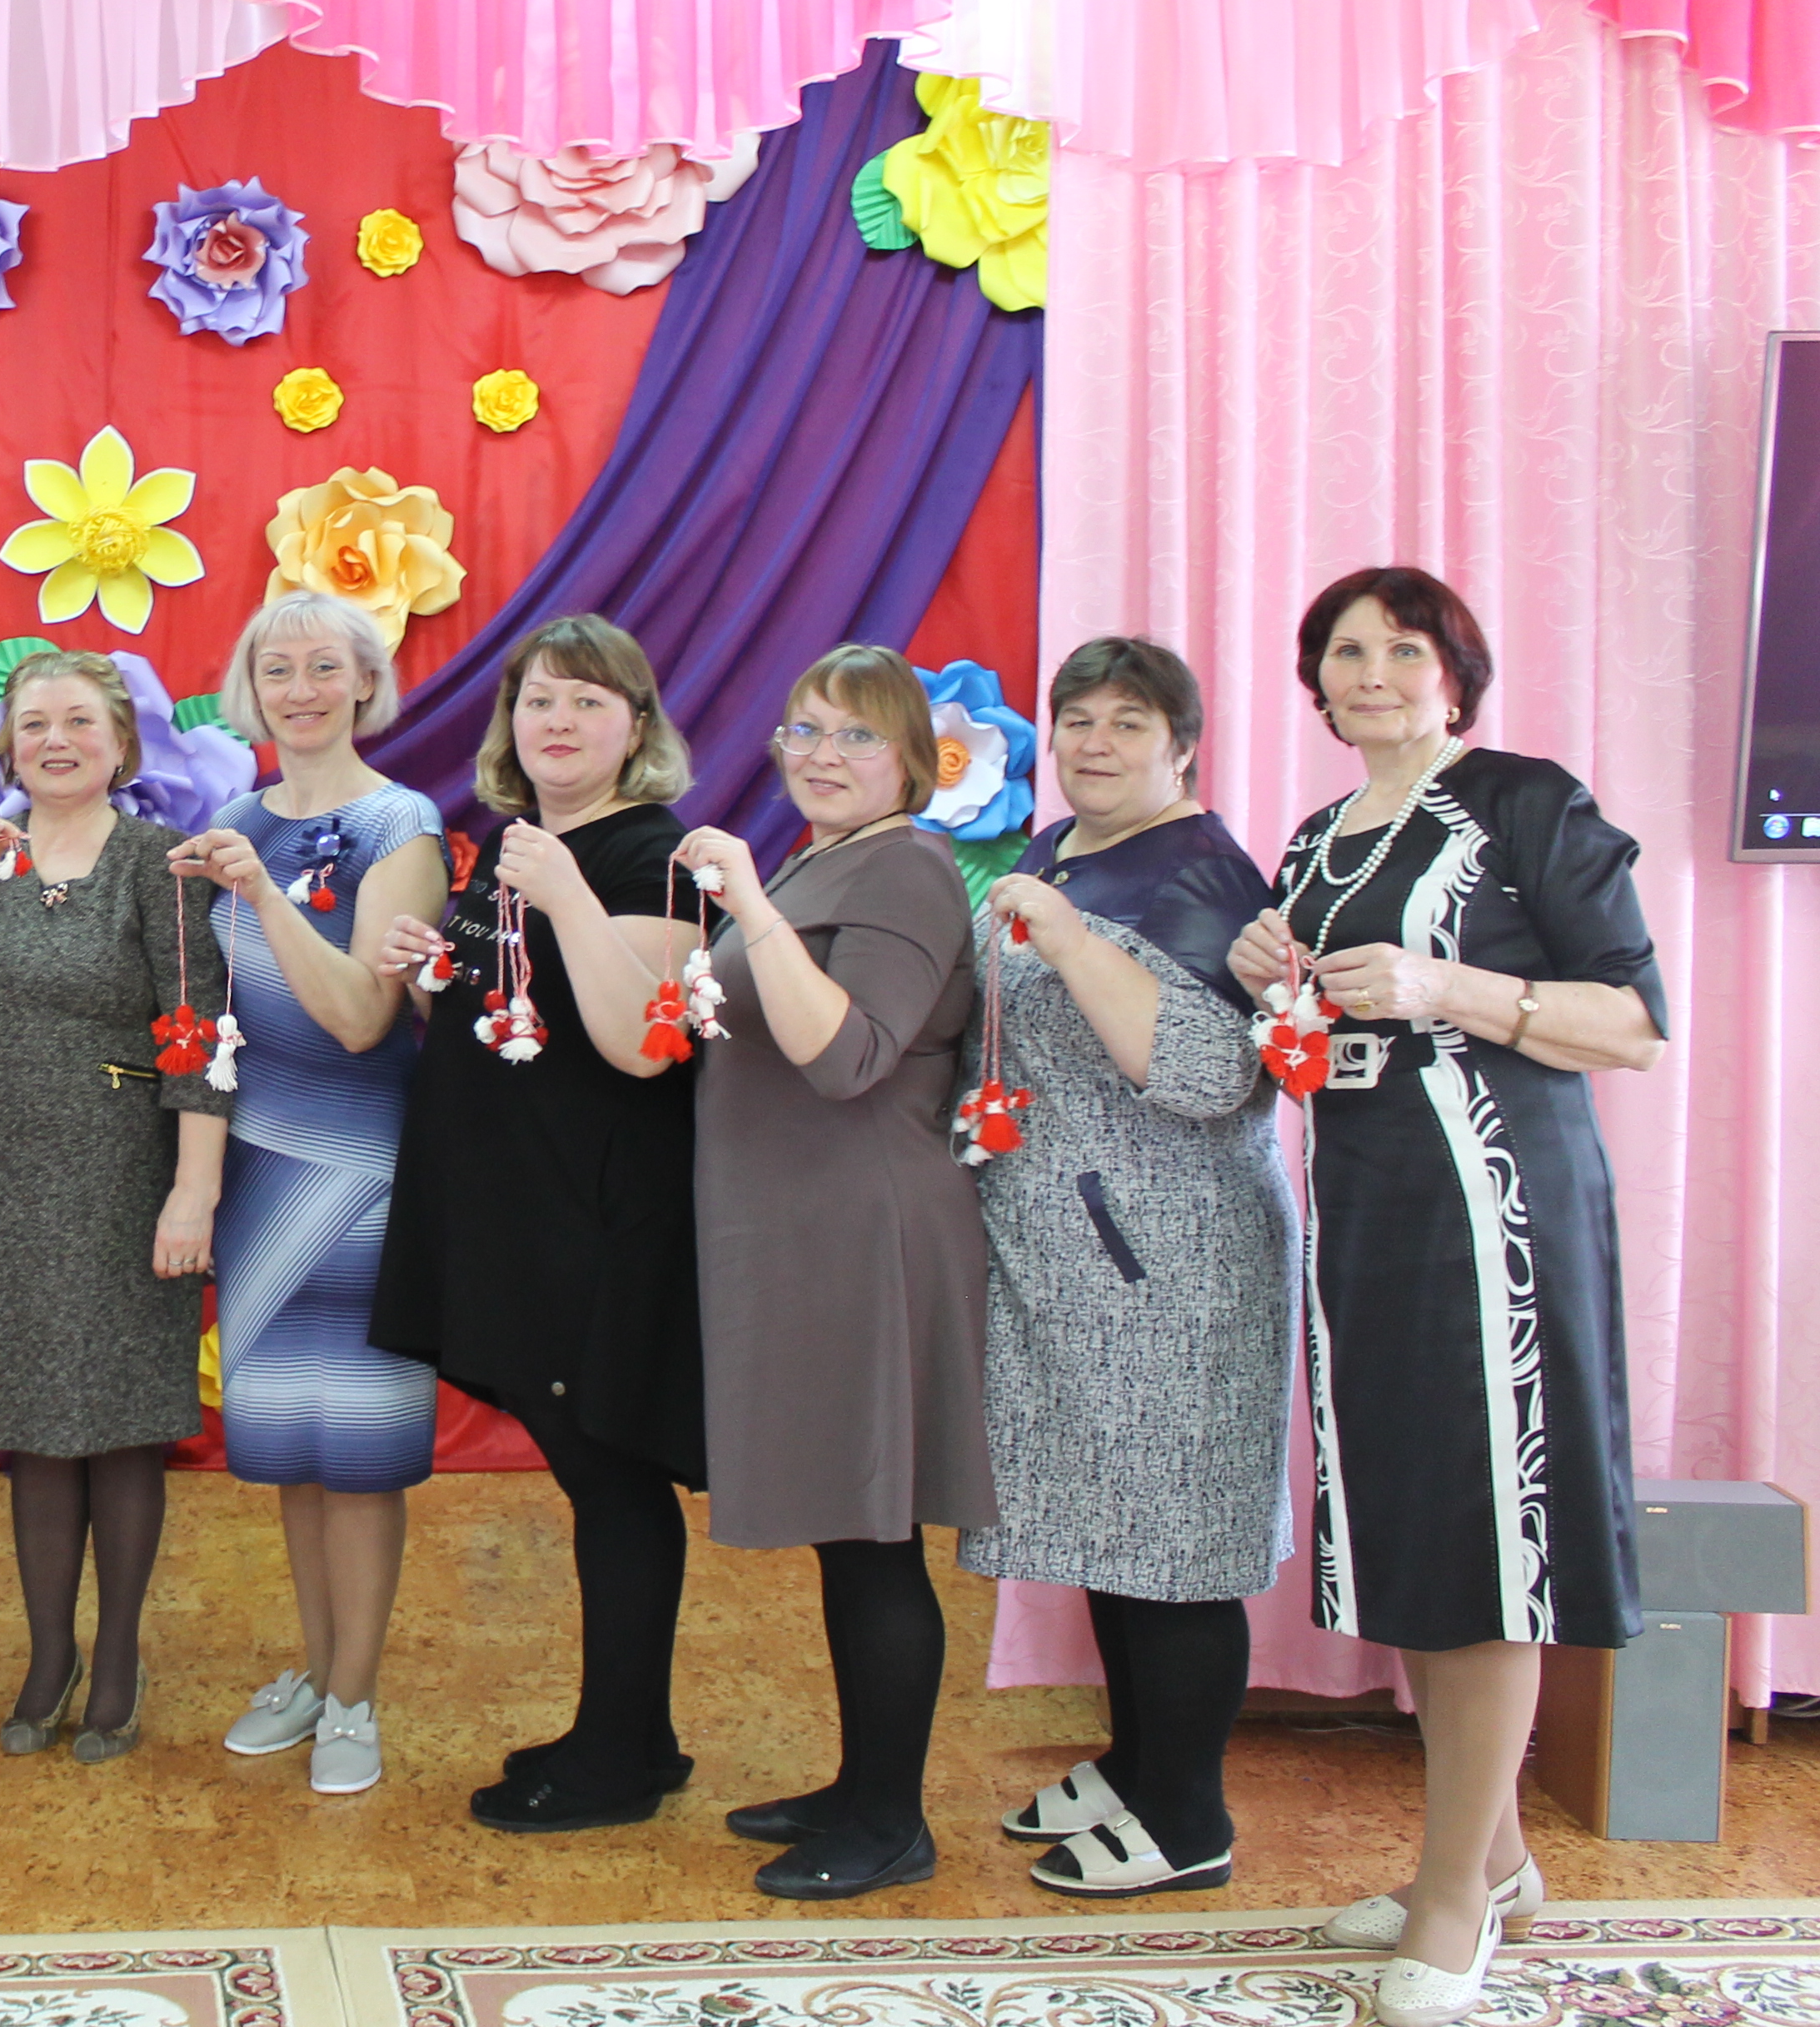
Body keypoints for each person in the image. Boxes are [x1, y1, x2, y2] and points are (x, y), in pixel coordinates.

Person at [1224, 569, 1664, 2027]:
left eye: (1402, 648)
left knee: (1487, 1533)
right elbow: (1310, 1043)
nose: (1371, 671)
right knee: (1417, 1516)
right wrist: (1269, 982)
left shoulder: (1527, 803)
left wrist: (1449, 989)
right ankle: (1501, 1859)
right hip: (1366, 1204)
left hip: (1498, 1210)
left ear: (1455, 670)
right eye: (1344, 650)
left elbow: (1632, 1024)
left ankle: (1453, 1894)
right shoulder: (1316, 838)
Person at [956, 637, 1294, 1897]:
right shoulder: (1061, 845)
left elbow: (1213, 1076)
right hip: (1070, 1255)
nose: (1095, 744)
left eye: (1129, 722)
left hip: (1169, 1260)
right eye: (1078, 719)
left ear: (1183, 747)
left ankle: (1190, 1818)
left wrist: (1068, 939)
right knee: (1116, 1527)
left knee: (1176, 1541)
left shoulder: (1203, 876)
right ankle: (1138, 1766)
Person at [371, 615, 709, 1831]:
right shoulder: (518, 846)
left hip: (595, 1222)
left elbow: (639, 1042)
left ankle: (619, 1759)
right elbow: (515, 1026)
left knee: (613, 1482)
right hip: (512, 1211)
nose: (557, 722)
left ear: (637, 725)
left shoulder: (654, 857)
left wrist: (563, 896)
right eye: (537, 701)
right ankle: (630, 1732)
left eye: (587, 701)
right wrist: (433, 971)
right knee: (591, 1479)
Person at [675, 642, 990, 1902]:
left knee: (874, 1534)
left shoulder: (906, 867)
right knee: (847, 1534)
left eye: (856, 734)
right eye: (803, 730)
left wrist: (752, 907)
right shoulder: (826, 860)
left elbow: (849, 1057)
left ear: (913, 757)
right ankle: (859, 1789)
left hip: (866, 1234)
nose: (821, 754)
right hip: (798, 1233)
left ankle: (892, 1822)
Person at [0, 650, 230, 1764]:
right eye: (33, 722)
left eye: (80, 720)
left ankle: (119, 1656)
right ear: (6, 746)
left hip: (126, 1181)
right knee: (34, 1431)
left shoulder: (154, 865)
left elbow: (198, 1037)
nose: (55, 739)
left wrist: (193, 1193)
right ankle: (50, 1657)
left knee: (121, 1428)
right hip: (3, 1182)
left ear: (121, 743)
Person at [172, 595, 442, 1794]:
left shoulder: (403, 825)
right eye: (276, 669)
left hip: (364, 1170)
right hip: (259, 1171)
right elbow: (212, 1020)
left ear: (365, 680)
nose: (300, 690)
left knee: (362, 1449)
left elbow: (360, 1017)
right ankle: (318, 1668)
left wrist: (265, 897)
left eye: (324, 666)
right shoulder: (235, 821)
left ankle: (357, 1697)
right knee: (290, 1441)